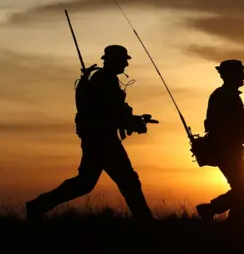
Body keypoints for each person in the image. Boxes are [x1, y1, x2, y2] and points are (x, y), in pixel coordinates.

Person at [25, 45, 153, 221]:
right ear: (113, 61)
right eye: (123, 60)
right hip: (103, 141)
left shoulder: (105, 80)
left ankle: (38, 205)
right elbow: (111, 112)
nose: (126, 64)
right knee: (128, 181)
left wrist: (134, 120)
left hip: (98, 139)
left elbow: (114, 111)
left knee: (85, 183)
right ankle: (145, 220)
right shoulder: (104, 82)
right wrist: (134, 123)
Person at [195, 60, 244, 224]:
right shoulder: (226, 96)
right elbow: (236, 124)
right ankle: (215, 213)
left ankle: (231, 222)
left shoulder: (226, 95)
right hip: (226, 150)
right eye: (240, 73)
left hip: (229, 150)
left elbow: (238, 123)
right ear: (231, 75)